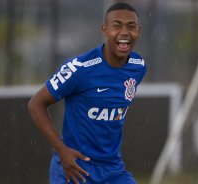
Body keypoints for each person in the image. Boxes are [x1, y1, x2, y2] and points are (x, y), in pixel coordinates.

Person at [28, 2, 146, 184]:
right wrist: (61, 149)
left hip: (112, 170)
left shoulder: (138, 67)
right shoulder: (79, 69)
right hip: (75, 167)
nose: (124, 32)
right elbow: (36, 103)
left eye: (131, 26)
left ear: (139, 31)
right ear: (104, 30)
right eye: (117, 26)